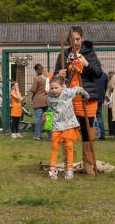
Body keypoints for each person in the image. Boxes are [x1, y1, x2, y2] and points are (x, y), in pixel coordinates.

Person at [54, 25, 103, 176]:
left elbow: (98, 72)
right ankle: (69, 164)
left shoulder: (89, 53)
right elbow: (55, 78)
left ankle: (88, 163)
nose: (75, 42)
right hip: (68, 99)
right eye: (72, 39)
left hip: (85, 98)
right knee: (67, 132)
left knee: (87, 131)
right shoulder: (63, 55)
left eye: (77, 39)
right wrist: (59, 74)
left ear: (82, 39)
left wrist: (86, 64)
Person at [45, 75, 89, 180]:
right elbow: (51, 107)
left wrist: (86, 96)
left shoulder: (67, 93)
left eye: (56, 88)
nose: (54, 90)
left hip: (69, 125)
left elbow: (78, 89)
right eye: (52, 88)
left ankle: (69, 169)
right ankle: (53, 168)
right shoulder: (50, 97)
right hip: (57, 125)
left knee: (69, 147)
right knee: (55, 147)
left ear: (62, 87)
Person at [29, 64, 50, 140]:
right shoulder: (47, 78)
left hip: (38, 100)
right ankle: (50, 135)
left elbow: (33, 90)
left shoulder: (37, 78)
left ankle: (37, 135)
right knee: (47, 118)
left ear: (36, 70)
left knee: (38, 118)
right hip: (46, 100)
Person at [94, 71, 108, 140]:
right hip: (100, 97)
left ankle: (92, 133)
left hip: (92, 96)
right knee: (99, 115)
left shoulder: (90, 74)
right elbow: (105, 86)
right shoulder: (104, 75)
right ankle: (102, 133)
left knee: (91, 116)